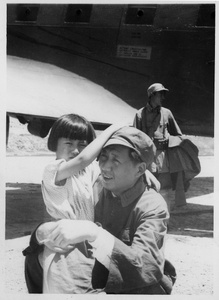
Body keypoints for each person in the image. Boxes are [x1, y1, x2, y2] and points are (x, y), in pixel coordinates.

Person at [23, 126, 176, 294]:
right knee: (43, 251)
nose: (105, 166)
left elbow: (146, 267)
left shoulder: (152, 206)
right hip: (97, 273)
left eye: (115, 160)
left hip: (135, 284)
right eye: (103, 157)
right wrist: (40, 232)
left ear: (140, 169)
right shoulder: (94, 188)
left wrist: (94, 232)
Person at [133, 83, 200, 211]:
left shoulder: (167, 113)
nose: (162, 97)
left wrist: (172, 144)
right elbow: (135, 138)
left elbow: (177, 135)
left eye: (163, 94)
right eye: (160, 94)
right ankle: (148, 218)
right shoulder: (139, 115)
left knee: (165, 189)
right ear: (152, 96)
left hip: (163, 158)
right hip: (147, 158)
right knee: (147, 188)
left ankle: (165, 221)